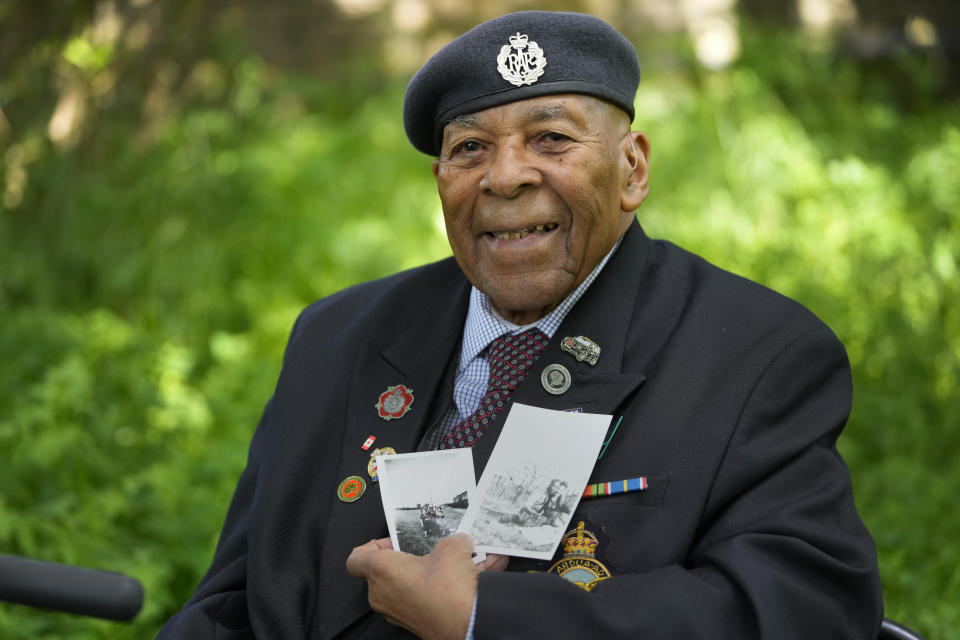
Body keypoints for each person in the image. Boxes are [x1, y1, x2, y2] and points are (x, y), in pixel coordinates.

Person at [157, 10, 883, 640]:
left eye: (551, 139)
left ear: (632, 169)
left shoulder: (755, 354)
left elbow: (804, 612)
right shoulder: (337, 337)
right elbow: (230, 607)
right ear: (441, 178)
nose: (505, 177)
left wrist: (486, 623)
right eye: (469, 147)